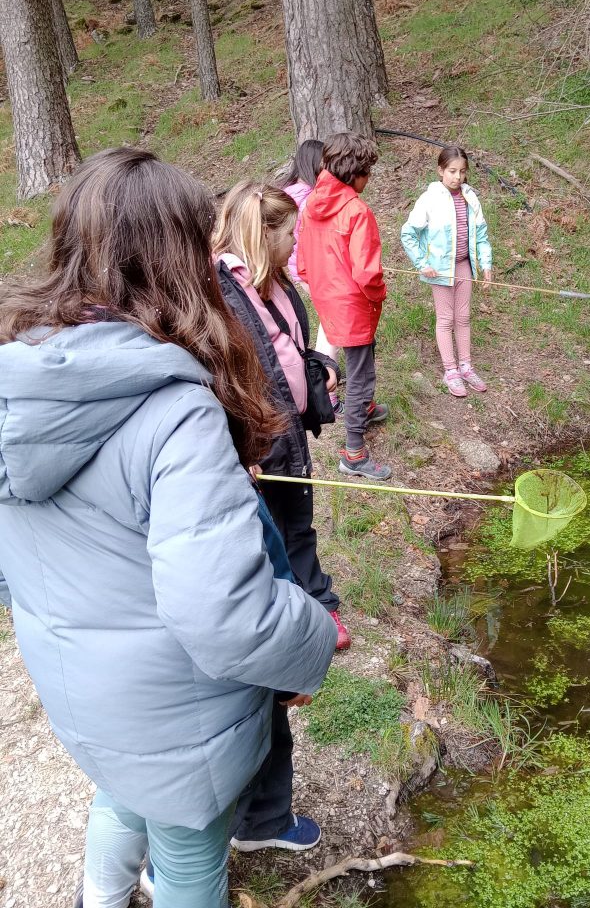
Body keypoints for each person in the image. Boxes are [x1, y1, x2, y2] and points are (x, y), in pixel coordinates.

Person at [0, 149, 337, 908]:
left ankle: (101, 898)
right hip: (176, 719)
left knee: (120, 794)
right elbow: (225, 615)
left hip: (81, 693)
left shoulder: (18, 379)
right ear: (178, 256)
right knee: (189, 865)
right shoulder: (173, 409)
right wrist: (311, 634)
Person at [211, 182, 351, 651]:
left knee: (298, 518)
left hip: (288, 428)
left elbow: (289, 349)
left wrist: (322, 367)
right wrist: (240, 444)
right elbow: (224, 375)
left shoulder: (275, 280)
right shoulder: (222, 293)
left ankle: (319, 603)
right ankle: (289, 617)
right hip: (257, 437)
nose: (295, 242)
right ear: (264, 233)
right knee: (269, 528)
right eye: (290, 233)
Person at [297, 133, 391, 481]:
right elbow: (368, 274)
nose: (369, 179)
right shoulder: (357, 211)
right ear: (356, 174)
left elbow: (303, 263)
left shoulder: (311, 203)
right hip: (353, 305)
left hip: (327, 298)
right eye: (368, 172)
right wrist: (379, 293)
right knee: (362, 373)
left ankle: (363, 409)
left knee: (359, 358)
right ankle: (354, 453)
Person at [400, 146, 493, 398]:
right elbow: (408, 234)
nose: (457, 177)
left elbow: (482, 235)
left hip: (464, 265)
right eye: (452, 171)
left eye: (462, 172)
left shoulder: (470, 197)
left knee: (463, 317)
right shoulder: (430, 199)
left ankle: (466, 365)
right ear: (440, 170)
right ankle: (450, 370)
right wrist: (422, 262)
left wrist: (486, 265)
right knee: (446, 318)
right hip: (440, 270)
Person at [279, 140, 344, 415]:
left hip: (300, 268)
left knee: (330, 325)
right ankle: (324, 391)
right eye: (324, 164)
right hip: (313, 270)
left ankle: (322, 386)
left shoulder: (288, 192)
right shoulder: (307, 198)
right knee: (331, 327)